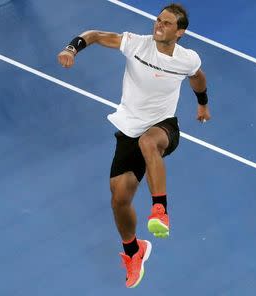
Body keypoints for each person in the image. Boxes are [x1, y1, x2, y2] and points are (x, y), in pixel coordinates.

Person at [57, 3, 210, 288]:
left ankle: (160, 210)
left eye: (166, 23)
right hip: (129, 128)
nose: (158, 25)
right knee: (119, 197)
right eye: (158, 20)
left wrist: (202, 105)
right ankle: (133, 251)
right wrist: (72, 48)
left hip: (163, 127)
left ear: (180, 32)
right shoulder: (136, 44)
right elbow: (95, 35)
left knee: (148, 142)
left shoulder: (187, 58)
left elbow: (198, 78)